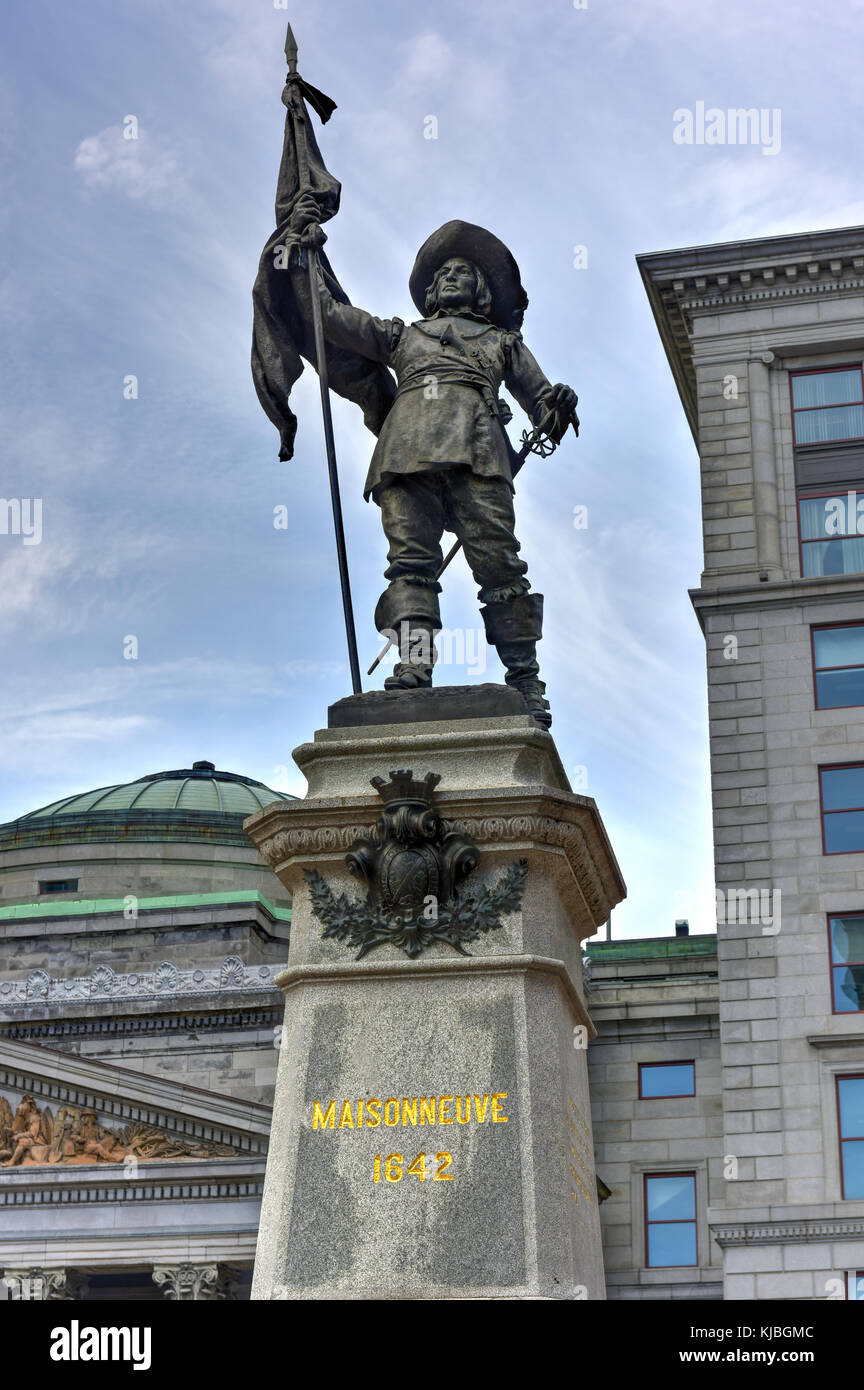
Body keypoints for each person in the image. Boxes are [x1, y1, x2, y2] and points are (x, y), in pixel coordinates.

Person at [287, 200, 578, 728]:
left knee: (500, 566)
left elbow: (541, 400)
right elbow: (330, 319)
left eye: (461, 272)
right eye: (442, 272)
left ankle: (525, 679)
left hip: (479, 451)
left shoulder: (502, 342)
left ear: (481, 290)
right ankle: (413, 665)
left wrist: (557, 403)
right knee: (410, 563)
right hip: (405, 453)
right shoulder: (403, 335)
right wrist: (305, 259)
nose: (450, 277)